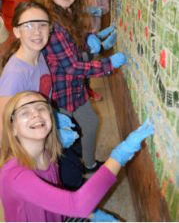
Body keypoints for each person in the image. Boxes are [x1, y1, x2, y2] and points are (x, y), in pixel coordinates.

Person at [0, 90, 154, 222]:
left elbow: (59, 201)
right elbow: (77, 205)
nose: (35, 114)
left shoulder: (48, 155)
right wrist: (120, 154)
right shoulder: (16, 176)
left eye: (41, 108)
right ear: (12, 128)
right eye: (24, 112)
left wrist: (90, 214)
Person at [40, 0, 127, 173]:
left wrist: (89, 37)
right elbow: (72, 66)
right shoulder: (53, 25)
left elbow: (75, 48)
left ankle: (87, 163)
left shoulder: (68, 14)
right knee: (61, 145)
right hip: (61, 94)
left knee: (90, 122)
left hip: (75, 88)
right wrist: (108, 64)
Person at [0, 1, 84, 190]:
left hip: (45, 134)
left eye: (42, 25)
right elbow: (3, 127)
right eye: (28, 25)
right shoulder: (15, 75)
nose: (37, 32)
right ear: (16, 31)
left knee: (74, 169)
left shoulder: (39, 55)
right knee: (70, 181)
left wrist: (54, 117)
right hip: (30, 149)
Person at [78, 0, 110, 101]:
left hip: (93, 30)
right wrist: (82, 10)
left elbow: (106, 7)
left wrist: (98, 10)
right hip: (76, 29)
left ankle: (87, 89)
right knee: (77, 60)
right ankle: (81, 89)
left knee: (87, 60)